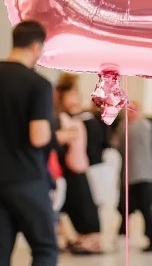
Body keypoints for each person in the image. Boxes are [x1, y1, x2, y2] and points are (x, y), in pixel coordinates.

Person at [0, 21, 58, 266]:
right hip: (25, 178)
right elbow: (38, 137)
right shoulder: (37, 84)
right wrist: (57, 133)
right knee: (44, 247)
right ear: (36, 46)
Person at [53, 76, 102, 255]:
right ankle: (78, 237)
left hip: (79, 167)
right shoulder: (63, 120)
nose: (75, 100)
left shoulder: (82, 120)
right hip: (67, 169)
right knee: (71, 205)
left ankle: (89, 238)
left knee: (84, 203)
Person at [116, 103, 152, 253]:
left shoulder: (137, 126)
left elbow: (119, 145)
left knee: (145, 208)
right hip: (138, 175)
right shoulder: (142, 126)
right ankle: (126, 232)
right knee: (131, 207)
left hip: (140, 175)